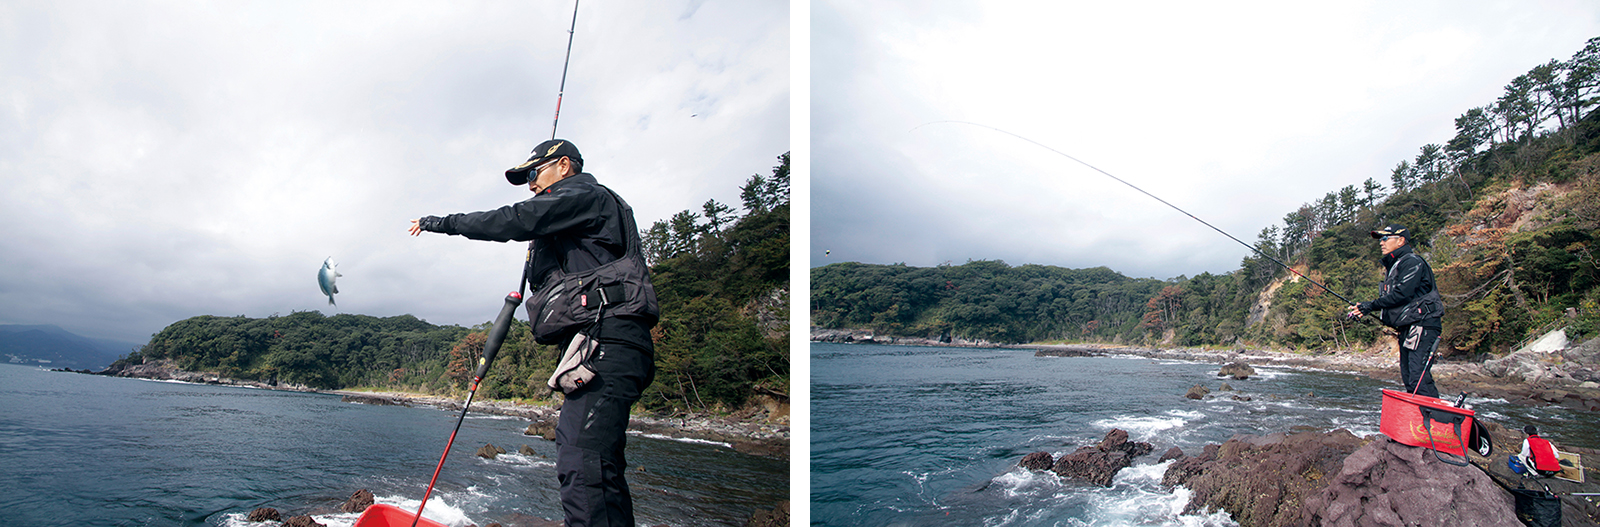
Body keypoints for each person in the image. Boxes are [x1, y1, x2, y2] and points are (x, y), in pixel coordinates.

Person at [409, 139, 658, 527]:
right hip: (600, 342)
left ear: (563, 166)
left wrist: (441, 222)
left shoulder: (584, 193)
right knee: (597, 463)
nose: (530, 185)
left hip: (608, 339)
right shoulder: (575, 210)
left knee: (582, 460)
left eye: (533, 173)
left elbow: (514, 219)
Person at [1347, 224, 1445, 398]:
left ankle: (1436, 420)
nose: (1381, 243)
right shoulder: (1396, 265)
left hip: (1423, 326)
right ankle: (1421, 421)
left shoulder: (1412, 261)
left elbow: (1402, 294)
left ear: (1400, 241)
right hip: (1409, 327)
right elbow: (1398, 300)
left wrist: (1370, 305)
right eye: (1380, 240)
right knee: (1409, 378)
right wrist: (1367, 308)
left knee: (1418, 377)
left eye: (1385, 239)